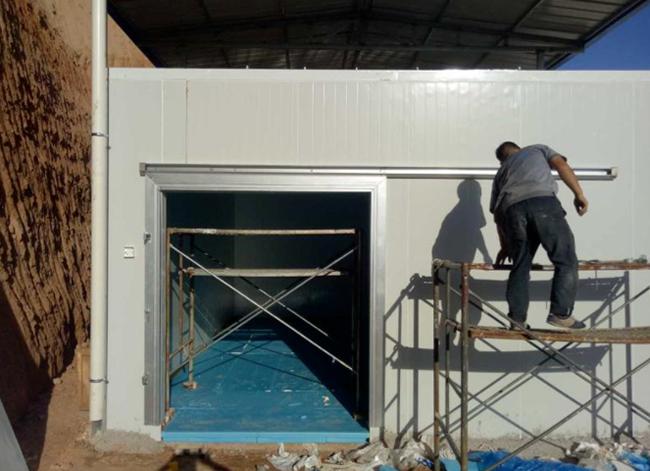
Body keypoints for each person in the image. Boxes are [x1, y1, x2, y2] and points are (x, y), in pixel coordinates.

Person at [490, 142, 589, 329]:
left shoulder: (500, 174)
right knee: (565, 260)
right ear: (518, 149)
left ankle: (517, 320)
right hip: (543, 203)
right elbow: (561, 165)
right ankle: (560, 313)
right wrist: (579, 194)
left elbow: (497, 215)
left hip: (513, 211)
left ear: (502, 160)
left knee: (520, 265)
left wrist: (505, 246)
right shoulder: (537, 149)